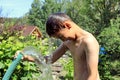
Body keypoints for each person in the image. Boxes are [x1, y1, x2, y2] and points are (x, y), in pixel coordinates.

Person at [15, 12, 100, 80]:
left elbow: (93, 75)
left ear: (67, 25)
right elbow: (48, 60)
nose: (62, 40)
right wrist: (27, 57)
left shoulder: (88, 42)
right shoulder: (68, 42)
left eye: (61, 36)